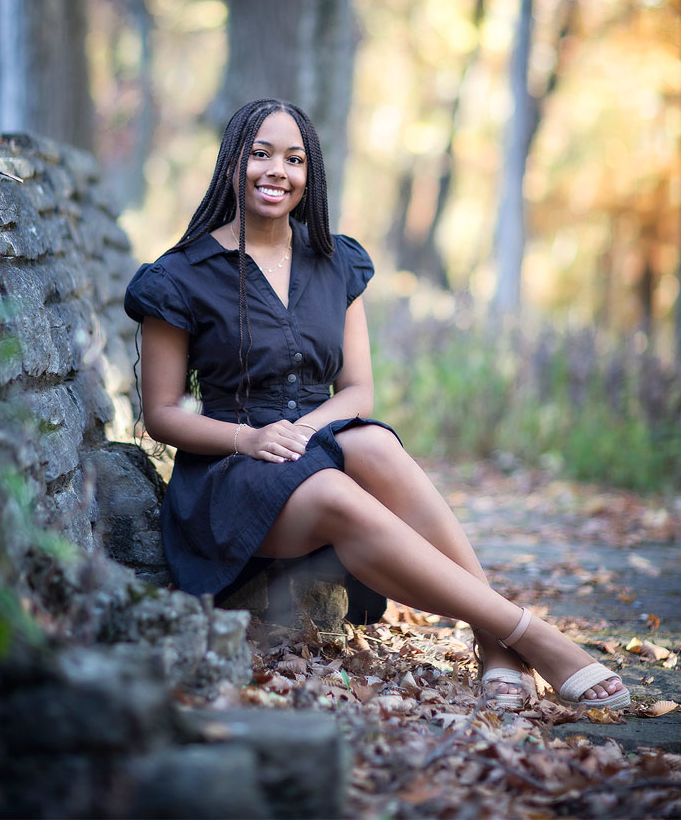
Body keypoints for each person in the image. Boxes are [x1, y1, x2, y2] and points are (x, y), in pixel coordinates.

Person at [124, 97, 630, 711]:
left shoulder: (334, 261)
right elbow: (163, 414)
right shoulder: (179, 276)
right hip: (231, 473)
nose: (275, 171)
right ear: (232, 161)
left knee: (374, 440)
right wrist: (250, 439)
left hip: (314, 442)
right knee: (339, 491)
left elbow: (358, 390)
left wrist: (304, 429)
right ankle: (530, 635)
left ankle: (492, 640)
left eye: (294, 159)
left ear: (311, 176)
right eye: (259, 154)